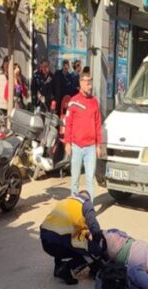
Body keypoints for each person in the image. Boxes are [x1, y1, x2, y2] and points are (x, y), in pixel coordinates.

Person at [40, 190, 103, 285]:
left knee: (63, 237)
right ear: (88, 198)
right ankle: (66, 268)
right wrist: (97, 248)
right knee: (94, 250)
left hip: (45, 241)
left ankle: (58, 267)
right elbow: (95, 229)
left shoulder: (66, 201)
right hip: (60, 243)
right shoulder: (86, 203)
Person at [65, 72, 102, 202]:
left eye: (90, 82)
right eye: (87, 82)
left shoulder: (94, 102)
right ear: (81, 83)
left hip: (91, 147)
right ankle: (75, 207)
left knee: (89, 179)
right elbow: (68, 123)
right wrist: (67, 143)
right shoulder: (73, 101)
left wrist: (98, 145)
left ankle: (89, 209)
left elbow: (98, 124)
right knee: (75, 179)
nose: (89, 85)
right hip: (76, 146)